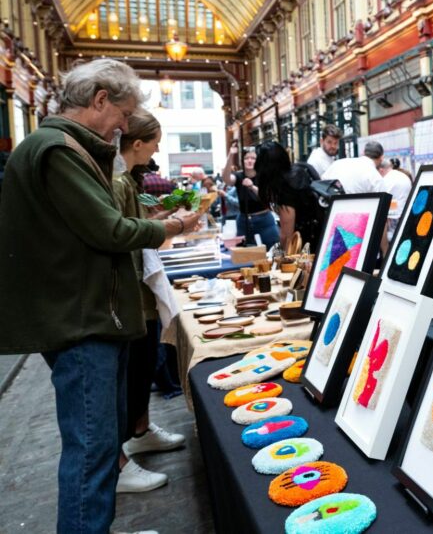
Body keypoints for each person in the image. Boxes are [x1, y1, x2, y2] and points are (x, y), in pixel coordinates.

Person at [0, 59, 201, 533]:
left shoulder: (59, 147)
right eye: (124, 113)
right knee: (91, 452)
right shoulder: (58, 150)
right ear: (99, 100)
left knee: (98, 447)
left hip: (84, 313)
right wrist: (169, 227)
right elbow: (108, 229)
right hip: (81, 319)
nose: (125, 126)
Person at [112, 108, 186, 494]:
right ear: (137, 143)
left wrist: (160, 217)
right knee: (137, 366)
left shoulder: (127, 179)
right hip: (131, 292)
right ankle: (121, 454)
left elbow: (136, 221)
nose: (158, 148)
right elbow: (124, 231)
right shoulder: (118, 178)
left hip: (139, 289)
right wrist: (170, 225)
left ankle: (139, 429)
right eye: (155, 141)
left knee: (144, 364)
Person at [255, 141, 324, 252]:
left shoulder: (285, 185)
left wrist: (281, 258)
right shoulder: (301, 169)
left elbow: (287, 235)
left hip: (308, 246)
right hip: (323, 237)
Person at [221, 144, 280, 249]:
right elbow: (226, 179)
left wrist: (252, 187)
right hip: (244, 221)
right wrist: (230, 156)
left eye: (253, 158)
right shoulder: (239, 176)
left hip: (264, 220)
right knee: (245, 253)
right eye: (246, 158)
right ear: (242, 161)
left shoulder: (263, 175)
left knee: (273, 249)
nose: (249, 161)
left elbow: (267, 197)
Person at [320, 140, 388, 194]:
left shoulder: (337, 164)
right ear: (381, 157)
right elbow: (382, 206)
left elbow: (321, 184)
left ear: (363, 153)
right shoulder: (376, 178)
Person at [378, 157, 414, 241]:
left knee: (392, 239)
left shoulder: (386, 180)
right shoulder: (403, 176)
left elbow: (384, 200)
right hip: (406, 213)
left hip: (393, 216)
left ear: (381, 170)